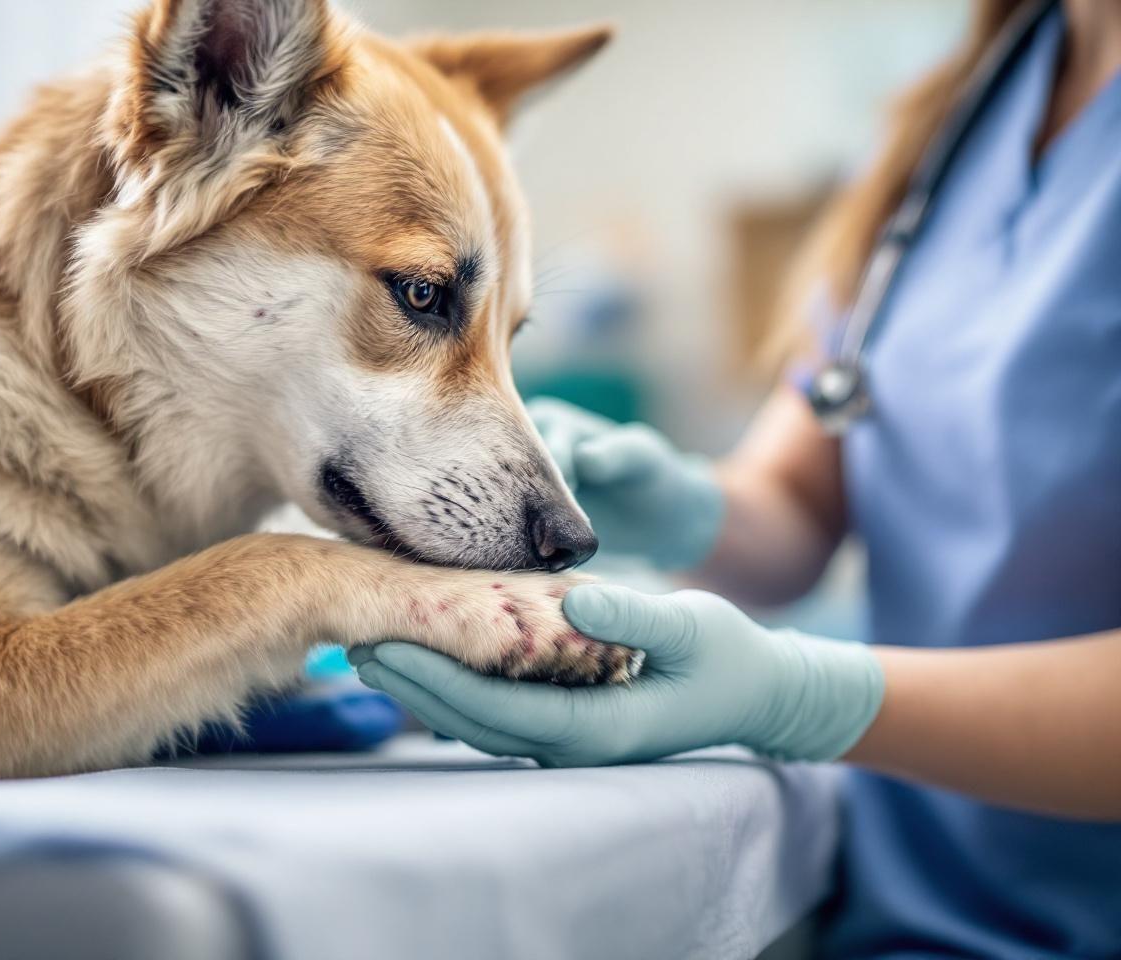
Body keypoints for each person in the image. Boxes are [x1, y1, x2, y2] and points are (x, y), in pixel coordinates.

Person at [349, 0, 1121, 955]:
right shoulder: (962, 108)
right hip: (901, 914)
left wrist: (800, 696)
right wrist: (689, 508)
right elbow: (800, 499)